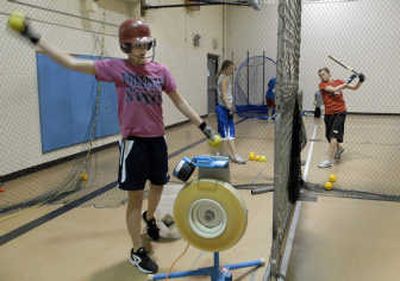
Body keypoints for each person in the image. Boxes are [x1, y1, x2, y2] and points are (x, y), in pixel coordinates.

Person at [9, 17, 220, 274]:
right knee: (134, 199)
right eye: (136, 45)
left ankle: (150, 218)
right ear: (125, 47)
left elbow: (180, 101)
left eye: (146, 44)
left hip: (158, 140)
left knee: (158, 186)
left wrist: (203, 126)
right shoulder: (116, 69)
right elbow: (72, 63)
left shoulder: (161, 71)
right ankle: (137, 251)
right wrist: (34, 37)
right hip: (134, 144)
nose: (143, 50)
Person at [317, 67, 364, 168]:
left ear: (329, 74)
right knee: (329, 137)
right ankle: (340, 148)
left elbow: (354, 88)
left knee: (333, 136)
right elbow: (333, 89)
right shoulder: (322, 85)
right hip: (329, 114)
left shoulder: (338, 82)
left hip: (340, 112)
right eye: (320, 75)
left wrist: (360, 80)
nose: (322, 76)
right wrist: (346, 81)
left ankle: (329, 161)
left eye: (324, 74)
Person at [216, 60, 246, 164]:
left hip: (223, 108)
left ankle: (220, 153)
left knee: (223, 133)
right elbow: (224, 95)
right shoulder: (224, 79)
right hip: (224, 109)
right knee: (229, 133)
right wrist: (230, 108)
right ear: (227, 68)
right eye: (232, 69)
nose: (233, 71)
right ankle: (235, 155)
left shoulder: (222, 77)